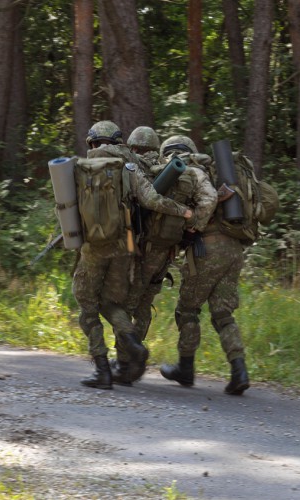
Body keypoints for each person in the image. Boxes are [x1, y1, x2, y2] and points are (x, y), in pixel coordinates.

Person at [75, 120, 193, 390]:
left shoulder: (83, 165)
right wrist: (183, 212)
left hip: (93, 247)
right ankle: (132, 343)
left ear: (93, 143)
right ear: (118, 142)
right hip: (125, 246)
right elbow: (151, 200)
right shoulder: (130, 166)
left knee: (87, 306)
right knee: (113, 301)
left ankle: (102, 369)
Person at [111, 134, 220, 386]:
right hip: (168, 249)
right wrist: (194, 225)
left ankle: (126, 362)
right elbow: (210, 199)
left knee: (129, 302)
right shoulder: (193, 171)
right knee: (146, 300)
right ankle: (130, 358)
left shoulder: (145, 166)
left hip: (142, 248)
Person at [159, 140, 251, 396]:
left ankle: (186, 369)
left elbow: (207, 200)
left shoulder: (187, 172)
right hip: (233, 248)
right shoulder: (213, 169)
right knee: (223, 314)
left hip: (205, 249)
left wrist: (193, 228)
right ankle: (239, 371)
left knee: (187, 310)